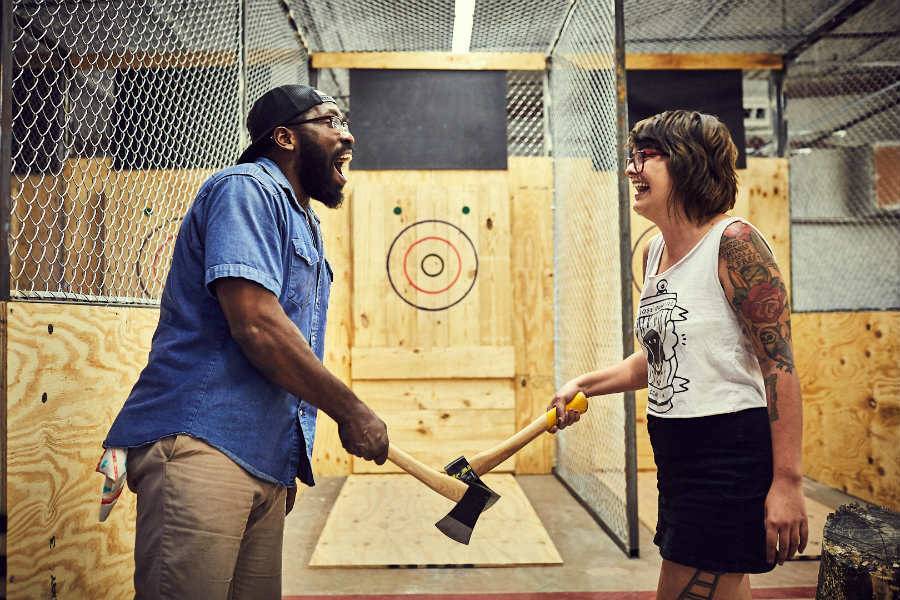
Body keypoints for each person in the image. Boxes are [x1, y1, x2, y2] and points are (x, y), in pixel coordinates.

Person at [100, 84, 389, 599]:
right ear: (285, 138)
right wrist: (351, 410)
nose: (348, 134)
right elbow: (256, 324)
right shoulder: (245, 190)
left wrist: (283, 465)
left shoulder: (303, 218)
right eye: (330, 121)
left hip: (260, 460)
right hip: (203, 446)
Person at [549, 110, 808, 599]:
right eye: (632, 156)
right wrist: (583, 384)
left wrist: (788, 481)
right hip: (677, 450)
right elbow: (657, 359)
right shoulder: (655, 256)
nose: (632, 169)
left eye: (648, 156)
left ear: (688, 163)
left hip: (726, 448)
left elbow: (779, 365)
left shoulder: (734, 244)